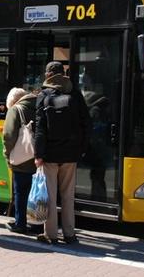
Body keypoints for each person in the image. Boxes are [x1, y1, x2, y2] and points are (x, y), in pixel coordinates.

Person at [34, 61, 91, 245]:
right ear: (63, 73)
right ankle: (69, 234)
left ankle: (50, 235)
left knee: (49, 195)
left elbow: (40, 129)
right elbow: (86, 124)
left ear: (48, 75)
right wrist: (81, 149)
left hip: (50, 155)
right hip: (70, 155)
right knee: (68, 196)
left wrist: (38, 154)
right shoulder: (74, 94)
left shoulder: (43, 95)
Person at [2, 87, 37, 234]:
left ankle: (20, 223)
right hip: (38, 158)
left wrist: (7, 155)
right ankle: (37, 223)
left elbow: (9, 136)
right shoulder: (39, 105)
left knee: (20, 192)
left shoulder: (15, 110)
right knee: (35, 192)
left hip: (22, 160)